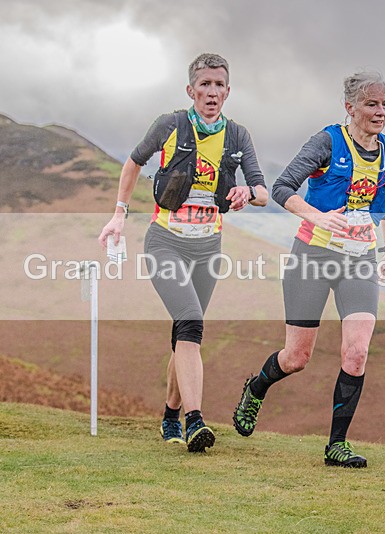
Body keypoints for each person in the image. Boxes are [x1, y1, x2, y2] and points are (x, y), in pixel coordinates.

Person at [233, 71, 385, 468]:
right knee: (296, 357)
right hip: (312, 255)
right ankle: (256, 388)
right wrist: (317, 216)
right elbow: (281, 188)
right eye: (371, 104)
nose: (380, 112)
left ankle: (336, 445)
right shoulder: (327, 142)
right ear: (350, 107)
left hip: (360, 259)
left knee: (357, 352)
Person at [99, 53, 268, 452]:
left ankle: (171, 413)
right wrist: (118, 217)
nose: (212, 92)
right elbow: (133, 163)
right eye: (205, 84)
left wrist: (248, 192)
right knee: (191, 323)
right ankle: (195, 421)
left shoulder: (238, 136)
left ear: (228, 91)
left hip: (208, 247)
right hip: (165, 242)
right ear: (190, 90)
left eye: (219, 85)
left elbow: (263, 191)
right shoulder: (170, 125)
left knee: (184, 334)